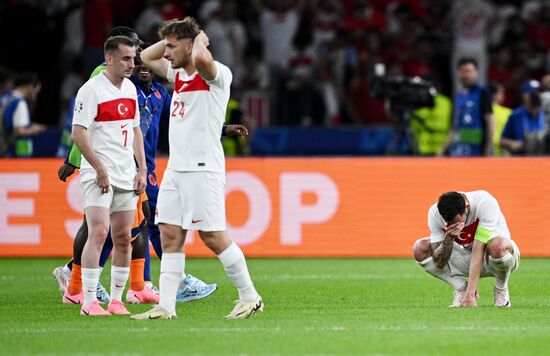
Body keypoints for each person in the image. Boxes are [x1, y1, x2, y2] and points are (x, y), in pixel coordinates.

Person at [132, 17, 263, 320]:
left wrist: (199, 39)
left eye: (173, 46)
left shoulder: (216, 74)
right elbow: (146, 57)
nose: (166, 53)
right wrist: (171, 40)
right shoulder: (178, 75)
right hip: (177, 169)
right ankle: (166, 306)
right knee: (169, 234)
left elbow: (202, 58)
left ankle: (250, 296)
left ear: (190, 45)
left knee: (212, 236)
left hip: (203, 168)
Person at [71, 35, 147, 316]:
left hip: (127, 173)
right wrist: (99, 168)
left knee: (124, 237)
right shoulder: (91, 90)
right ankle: (89, 301)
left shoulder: (130, 89)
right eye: (126, 58)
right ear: (110, 59)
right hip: (98, 173)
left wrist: (142, 168)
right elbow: (78, 133)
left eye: (133, 58)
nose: (132, 64)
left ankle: (116, 299)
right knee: (99, 231)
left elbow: (136, 129)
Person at [412, 191, 520, 308]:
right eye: (449, 224)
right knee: (420, 248)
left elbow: (478, 247)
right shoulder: (435, 213)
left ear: (467, 208)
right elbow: (439, 262)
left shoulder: (485, 202)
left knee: (497, 246)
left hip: (496, 258)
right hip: (467, 259)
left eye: (458, 222)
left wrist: (471, 294)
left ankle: (501, 289)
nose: (454, 226)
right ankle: (461, 288)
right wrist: (449, 238)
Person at [439, 58, 495, 157]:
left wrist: (488, 149)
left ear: (476, 73)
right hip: (458, 151)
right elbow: (454, 127)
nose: (466, 75)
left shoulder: (482, 93)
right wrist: (442, 151)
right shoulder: (458, 96)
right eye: (463, 72)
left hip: (477, 151)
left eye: (469, 71)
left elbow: (490, 121)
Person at [0, 72, 45, 157]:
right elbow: (19, 131)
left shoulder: (5, 98)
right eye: (36, 90)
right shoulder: (20, 103)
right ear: (30, 86)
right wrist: (35, 129)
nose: (36, 94)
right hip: (13, 151)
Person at [501, 89, 545, 155]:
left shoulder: (545, 116)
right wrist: (512, 143)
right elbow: (502, 140)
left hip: (543, 157)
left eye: (537, 107)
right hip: (521, 156)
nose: (535, 111)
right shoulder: (516, 115)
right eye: (532, 107)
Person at [487, 83, 512, 156]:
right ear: (494, 95)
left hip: (487, 147)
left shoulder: (482, 112)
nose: (503, 96)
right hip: (501, 149)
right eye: (501, 93)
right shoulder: (508, 113)